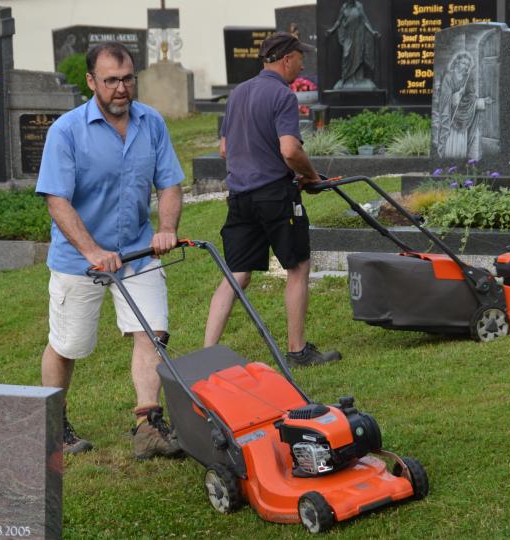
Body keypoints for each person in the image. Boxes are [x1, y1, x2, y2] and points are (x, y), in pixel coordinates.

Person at [35, 42, 185, 458]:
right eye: (111, 80)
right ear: (91, 82)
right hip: (78, 258)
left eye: (128, 78)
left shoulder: (150, 123)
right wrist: (92, 250)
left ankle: (147, 423)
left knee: (152, 332)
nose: (122, 88)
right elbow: (57, 200)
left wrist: (166, 227)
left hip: (137, 251)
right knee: (68, 346)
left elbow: (169, 183)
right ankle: (53, 423)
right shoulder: (66, 131)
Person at [204, 32, 341, 367]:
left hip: (240, 197)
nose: (302, 64)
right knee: (297, 266)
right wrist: (310, 175)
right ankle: (296, 351)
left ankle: (206, 355)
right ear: (286, 60)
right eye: (299, 58)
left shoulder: (238, 94)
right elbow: (290, 150)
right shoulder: (282, 95)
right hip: (274, 196)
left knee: (237, 272)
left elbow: (225, 148)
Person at [433, 51, 491, 161]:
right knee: (450, 145)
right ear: (457, 62)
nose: (466, 66)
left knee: (460, 146)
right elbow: (445, 99)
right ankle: (446, 161)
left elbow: (471, 95)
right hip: (450, 115)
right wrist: (454, 97)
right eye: (464, 63)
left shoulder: (467, 78)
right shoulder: (449, 77)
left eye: (468, 65)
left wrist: (480, 100)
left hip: (464, 115)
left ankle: (460, 162)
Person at [326, 0, 379, 89]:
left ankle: (357, 79)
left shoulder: (359, 6)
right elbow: (338, 21)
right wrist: (331, 30)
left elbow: (365, 21)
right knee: (346, 56)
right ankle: (345, 79)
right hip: (348, 36)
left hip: (358, 36)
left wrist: (372, 32)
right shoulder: (344, 7)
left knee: (358, 57)